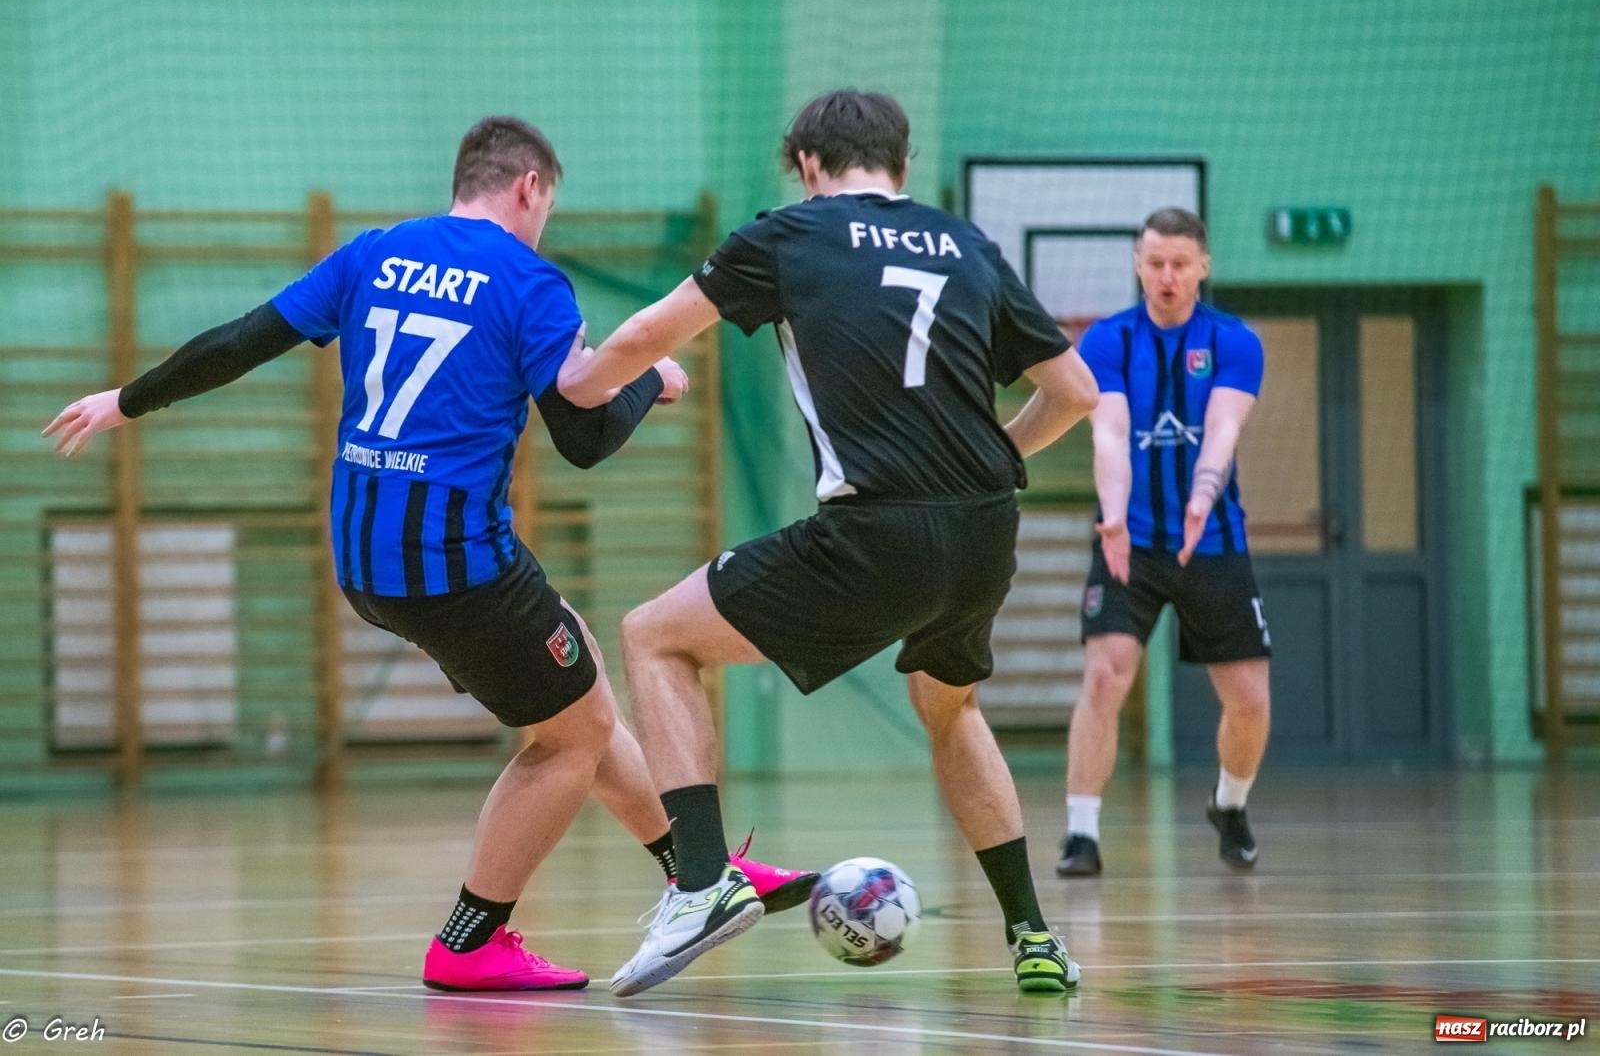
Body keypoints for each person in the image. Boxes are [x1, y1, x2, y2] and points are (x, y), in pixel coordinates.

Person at [43, 115, 814, 992]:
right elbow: (585, 437)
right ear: (529, 188)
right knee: (579, 733)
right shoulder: (531, 281)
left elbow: (245, 338)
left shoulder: (375, 253)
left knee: (581, 680)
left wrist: (128, 399)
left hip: (365, 561)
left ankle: (698, 870)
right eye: (547, 206)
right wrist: (649, 380)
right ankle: (469, 940)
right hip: (458, 564)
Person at [559, 89, 1100, 996]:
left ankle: (699, 885)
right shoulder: (965, 244)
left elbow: (653, 332)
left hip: (877, 533)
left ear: (808, 165)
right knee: (954, 710)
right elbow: (1076, 391)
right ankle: (1034, 936)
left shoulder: (789, 234)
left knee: (657, 635)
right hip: (983, 530)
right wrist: (995, 454)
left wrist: (578, 383)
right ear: (901, 162)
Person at [1055, 207, 1270, 879]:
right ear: (1138, 265)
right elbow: (1111, 434)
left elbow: (1222, 432)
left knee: (1249, 697)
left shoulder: (1234, 341)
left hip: (1214, 541)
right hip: (1134, 545)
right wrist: (1114, 516)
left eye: (1180, 263)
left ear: (1202, 265)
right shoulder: (1108, 341)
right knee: (1104, 673)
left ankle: (1229, 804)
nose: (1167, 276)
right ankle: (1081, 833)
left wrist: (1204, 497)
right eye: (1155, 263)